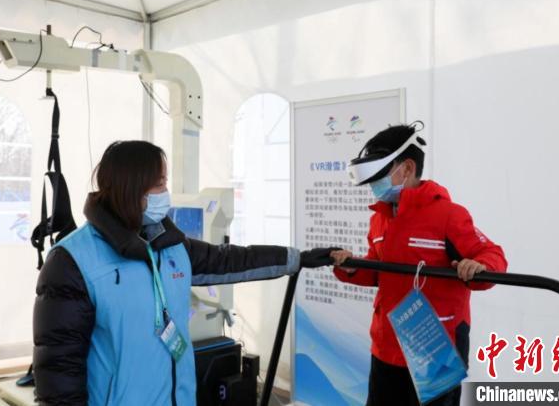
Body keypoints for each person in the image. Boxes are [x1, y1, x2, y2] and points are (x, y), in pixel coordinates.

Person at [33, 140, 336, 405]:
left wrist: (298, 259)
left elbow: (231, 261)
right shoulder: (72, 261)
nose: (166, 193)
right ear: (131, 187)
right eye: (159, 184)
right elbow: (59, 371)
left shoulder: (169, 245)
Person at [331, 123, 508, 406]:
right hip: (386, 344)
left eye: (381, 175)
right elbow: (378, 271)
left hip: (436, 347)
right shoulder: (379, 218)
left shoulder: (449, 215)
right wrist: (351, 267)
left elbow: (492, 254)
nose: (375, 186)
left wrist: (478, 266)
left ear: (407, 167)